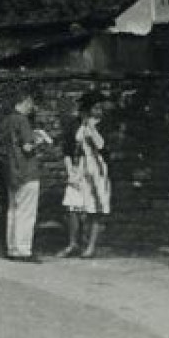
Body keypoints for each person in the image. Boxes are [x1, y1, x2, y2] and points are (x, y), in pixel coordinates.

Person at [0, 91, 51, 263]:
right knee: (27, 211)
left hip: (10, 171)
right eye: (31, 103)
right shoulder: (22, 120)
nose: (32, 107)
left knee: (13, 209)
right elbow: (28, 147)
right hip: (26, 170)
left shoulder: (6, 121)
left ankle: (12, 248)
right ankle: (24, 249)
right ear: (25, 101)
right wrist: (41, 140)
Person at [58, 93, 111, 259]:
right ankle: (73, 243)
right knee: (72, 206)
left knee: (95, 208)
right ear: (86, 110)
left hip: (96, 169)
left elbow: (102, 146)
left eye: (100, 108)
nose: (98, 111)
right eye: (95, 108)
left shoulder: (104, 125)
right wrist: (70, 172)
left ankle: (90, 246)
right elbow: (67, 150)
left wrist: (92, 128)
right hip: (78, 168)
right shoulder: (73, 125)